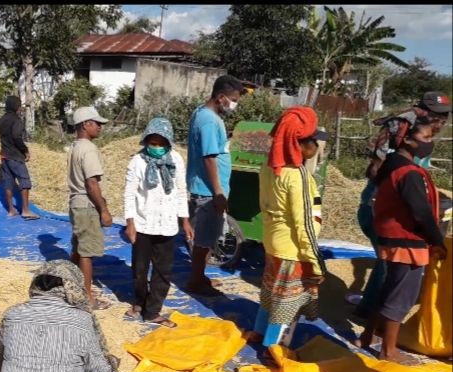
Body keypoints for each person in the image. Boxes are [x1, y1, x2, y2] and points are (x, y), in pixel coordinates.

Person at [355, 123, 447, 363]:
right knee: (402, 296)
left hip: (391, 238)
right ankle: (389, 351)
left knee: (388, 289)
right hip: (407, 241)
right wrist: (436, 241)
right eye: (426, 136)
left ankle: (367, 337)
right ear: (408, 141)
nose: (430, 141)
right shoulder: (409, 174)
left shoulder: (392, 164)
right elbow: (420, 212)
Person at [355, 91, 451, 318]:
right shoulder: (402, 136)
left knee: (389, 266)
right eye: (439, 116)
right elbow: (377, 173)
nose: (443, 122)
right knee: (390, 266)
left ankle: (372, 318)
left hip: (399, 206)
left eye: (446, 117)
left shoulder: (422, 138)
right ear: (425, 114)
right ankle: (375, 319)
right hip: (384, 210)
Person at [249, 106, 329, 348]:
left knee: (271, 292)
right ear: (301, 145)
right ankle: (275, 348)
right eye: (315, 141)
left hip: (273, 242)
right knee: (288, 302)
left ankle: (259, 332)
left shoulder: (269, 166)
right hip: (293, 249)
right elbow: (303, 223)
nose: (318, 148)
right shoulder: (297, 176)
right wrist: (314, 260)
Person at [0, 260, 120, 372]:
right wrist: (112, 363)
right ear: (73, 287)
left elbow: (2, 347)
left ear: (36, 284)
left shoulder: (12, 315)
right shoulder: (81, 320)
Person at [123, 117, 194, 328]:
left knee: (163, 270)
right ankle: (139, 302)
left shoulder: (176, 160)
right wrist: (130, 223)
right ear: (146, 142)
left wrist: (186, 221)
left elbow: (181, 191)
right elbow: (129, 193)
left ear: (168, 143)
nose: (156, 148)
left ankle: (153, 311)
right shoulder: (138, 162)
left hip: (167, 225)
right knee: (140, 269)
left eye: (161, 143)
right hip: (143, 224)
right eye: (152, 143)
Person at [185, 75, 244, 293]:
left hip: (207, 189)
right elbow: (209, 158)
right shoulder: (209, 120)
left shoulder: (202, 114)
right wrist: (218, 192)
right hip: (208, 191)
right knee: (203, 242)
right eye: (233, 99)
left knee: (207, 239)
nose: (234, 104)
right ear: (220, 97)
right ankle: (196, 281)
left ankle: (200, 277)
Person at [67, 106, 113, 310]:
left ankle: (69, 282)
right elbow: (92, 183)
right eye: (97, 123)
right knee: (86, 251)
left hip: (76, 203)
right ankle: (87, 298)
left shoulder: (75, 147)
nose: (100, 127)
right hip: (86, 204)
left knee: (78, 248)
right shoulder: (88, 149)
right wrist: (103, 209)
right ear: (86, 125)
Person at [0, 95, 39, 220]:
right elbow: (16, 137)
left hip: (4, 156)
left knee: (8, 183)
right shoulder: (16, 120)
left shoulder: (1, 120)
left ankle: (11, 210)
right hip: (15, 156)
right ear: (16, 106)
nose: (20, 108)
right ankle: (26, 211)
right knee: (24, 181)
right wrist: (25, 150)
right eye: (19, 105)